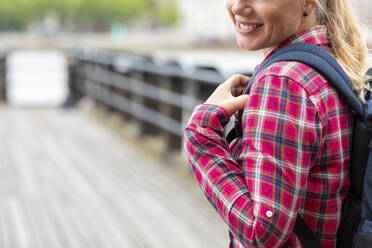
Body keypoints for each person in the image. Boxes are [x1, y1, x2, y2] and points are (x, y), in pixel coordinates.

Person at [183, 0, 370, 247]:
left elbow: (261, 233)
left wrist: (200, 133)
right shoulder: (327, 61)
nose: (238, 7)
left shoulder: (283, 82)